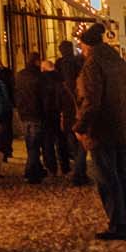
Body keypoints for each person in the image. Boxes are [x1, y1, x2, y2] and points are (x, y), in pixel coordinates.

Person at [73, 23, 126, 240]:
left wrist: (80, 127)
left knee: (107, 179)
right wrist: (125, 114)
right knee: (124, 176)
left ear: (88, 45)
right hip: (121, 127)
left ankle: (118, 225)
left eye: (82, 46)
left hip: (102, 129)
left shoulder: (93, 65)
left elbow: (91, 101)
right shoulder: (117, 61)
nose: (82, 50)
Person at [13, 51, 54, 183]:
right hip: (37, 114)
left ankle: (36, 170)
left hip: (24, 114)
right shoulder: (40, 77)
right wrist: (46, 113)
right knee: (34, 145)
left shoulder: (20, 75)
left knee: (30, 143)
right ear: (36, 62)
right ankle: (31, 172)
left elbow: (16, 94)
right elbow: (45, 98)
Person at [55, 39, 89, 185]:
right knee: (81, 144)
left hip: (68, 112)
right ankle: (80, 172)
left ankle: (78, 171)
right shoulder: (79, 63)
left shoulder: (59, 68)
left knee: (73, 143)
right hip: (79, 110)